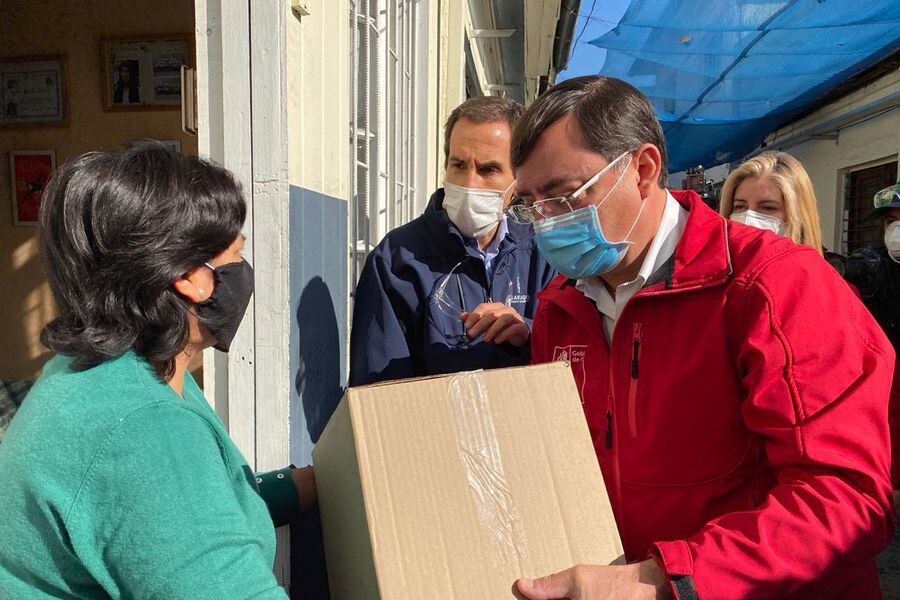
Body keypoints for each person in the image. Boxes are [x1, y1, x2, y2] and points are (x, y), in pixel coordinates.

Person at [507, 76, 894, 599]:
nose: (547, 226)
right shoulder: (561, 306)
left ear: (642, 170)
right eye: (530, 206)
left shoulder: (774, 286)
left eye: (564, 198)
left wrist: (661, 582)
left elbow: (843, 499)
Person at [0, 146, 316, 597]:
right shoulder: (139, 426)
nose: (243, 269)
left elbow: (179, 520)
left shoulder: (115, 370)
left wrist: (302, 487)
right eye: (235, 252)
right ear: (191, 277)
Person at [348, 97, 556, 386]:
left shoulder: (543, 252)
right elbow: (379, 393)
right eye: (458, 165)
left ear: (518, 179)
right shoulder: (396, 259)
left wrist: (526, 334)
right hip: (433, 427)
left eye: (488, 169)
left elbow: (571, 363)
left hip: (522, 425)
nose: (470, 183)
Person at [844, 183, 900, 506]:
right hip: (887, 381)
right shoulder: (873, 262)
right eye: (890, 222)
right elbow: (857, 268)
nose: (895, 230)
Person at [720, 151, 823, 253]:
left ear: (798, 217)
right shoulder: (713, 268)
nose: (748, 218)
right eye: (740, 207)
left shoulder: (816, 269)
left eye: (767, 208)